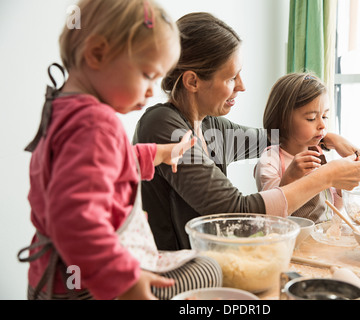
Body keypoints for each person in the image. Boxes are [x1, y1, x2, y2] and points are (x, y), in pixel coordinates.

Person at [18, 0, 222, 300]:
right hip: (89, 286)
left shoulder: (63, 108)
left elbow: (108, 164)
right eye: (147, 75)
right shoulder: (95, 123)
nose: (152, 90)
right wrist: (126, 284)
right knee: (208, 269)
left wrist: (162, 153)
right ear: (98, 54)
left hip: (53, 281)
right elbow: (76, 220)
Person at [133, 12, 360, 251]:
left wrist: (330, 139)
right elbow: (235, 211)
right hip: (174, 270)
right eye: (230, 78)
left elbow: (282, 136)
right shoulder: (164, 127)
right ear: (192, 81)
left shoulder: (211, 128)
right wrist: (326, 177)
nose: (242, 86)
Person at [254, 72, 347, 223]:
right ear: (283, 120)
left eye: (324, 116)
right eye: (311, 118)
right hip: (291, 240)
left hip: (322, 237)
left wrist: (342, 189)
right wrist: (290, 177)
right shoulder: (271, 160)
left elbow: (332, 209)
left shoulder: (319, 155)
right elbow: (271, 215)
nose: (322, 125)